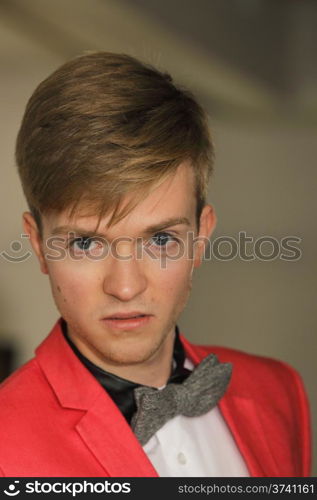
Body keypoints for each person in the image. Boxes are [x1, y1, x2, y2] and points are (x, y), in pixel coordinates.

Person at [0, 52, 311, 477]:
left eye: (161, 239)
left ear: (201, 237)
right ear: (38, 245)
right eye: (87, 243)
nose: (126, 288)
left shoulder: (280, 392)